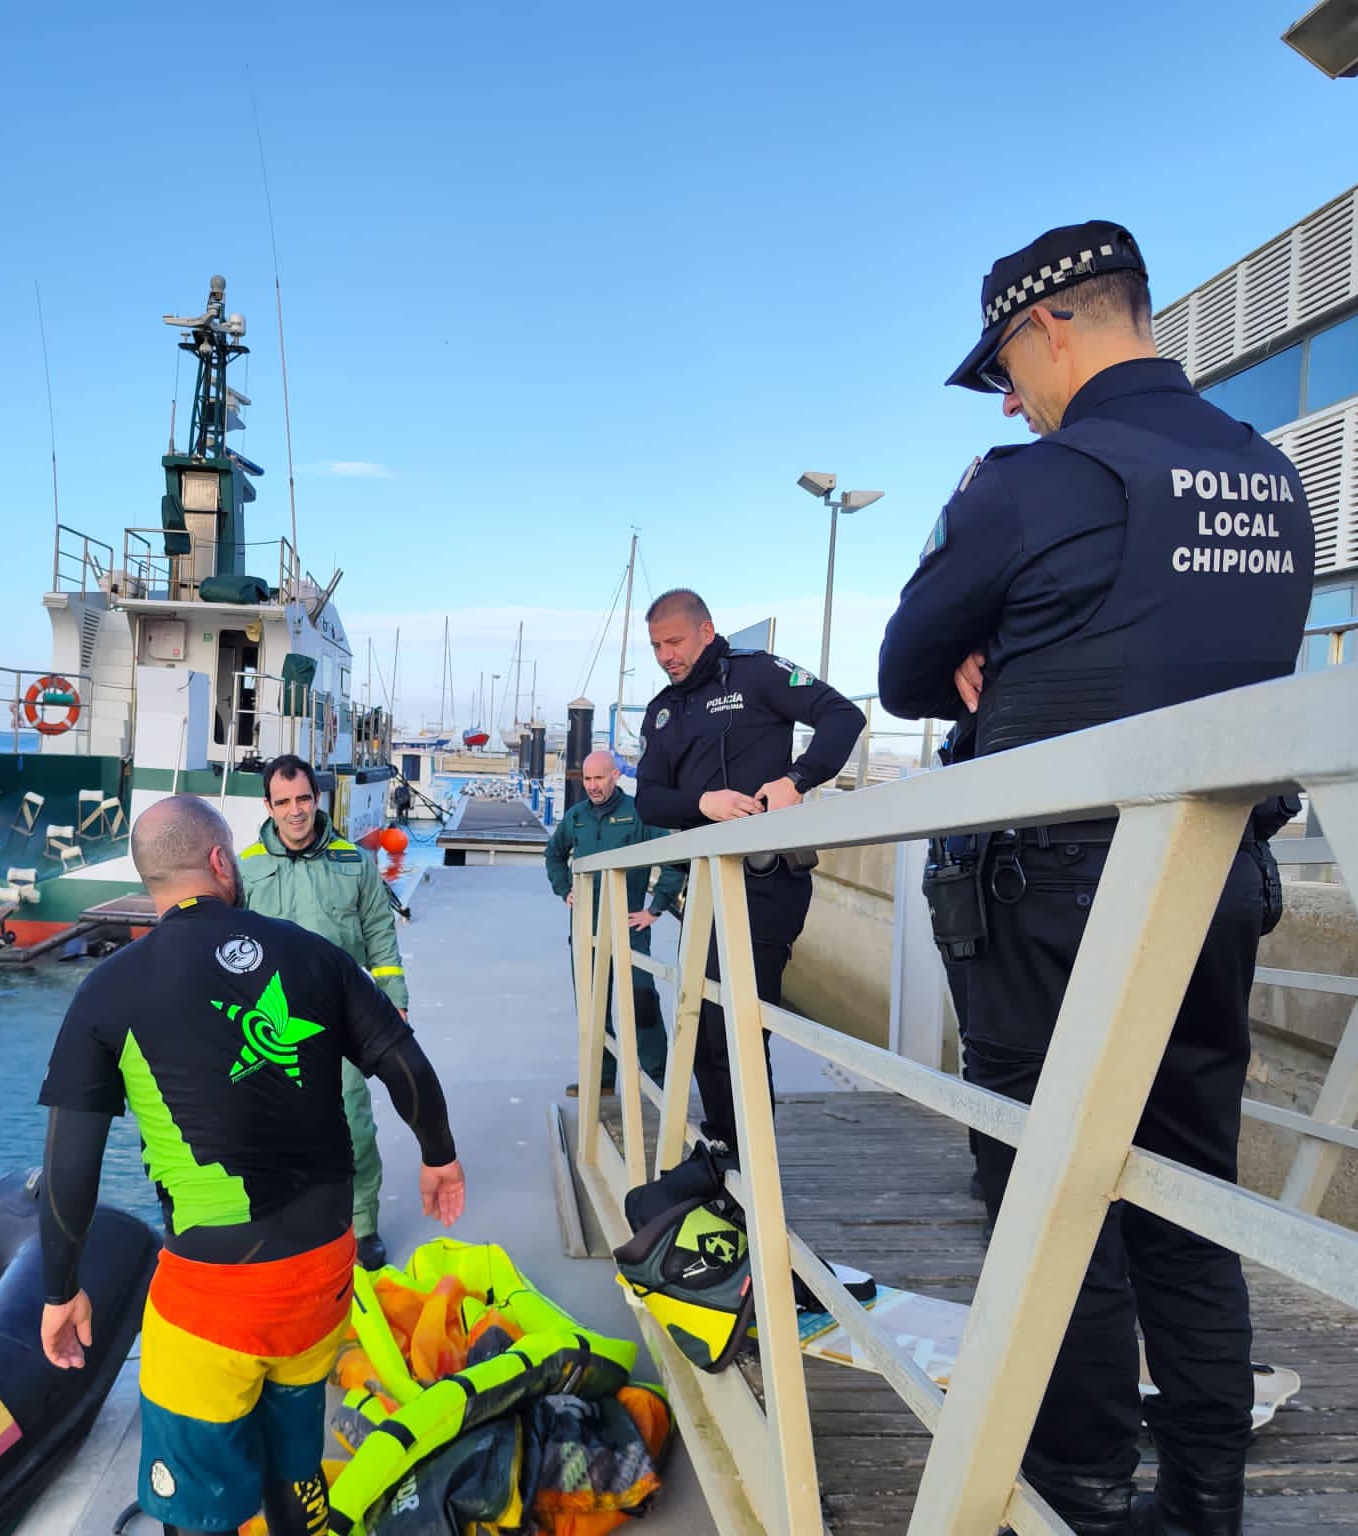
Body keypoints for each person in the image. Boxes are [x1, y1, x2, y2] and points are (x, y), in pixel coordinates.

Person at [877, 221, 1313, 1536]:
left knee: (1053, 1191)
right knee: (1187, 1193)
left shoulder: (1032, 480)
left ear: (1056, 322)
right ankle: (1200, 1502)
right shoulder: (1270, 479)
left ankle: (1076, 1485)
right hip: (1215, 882)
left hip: (1048, 896)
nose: (1009, 395)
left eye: (1006, 362)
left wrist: (995, 653)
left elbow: (905, 667)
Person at [38, 794, 466, 1536]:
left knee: (199, 1508)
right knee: (294, 1468)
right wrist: (440, 1159)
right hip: (325, 1275)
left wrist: (60, 1289)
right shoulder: (311, 952)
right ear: (219, 860)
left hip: (213, 1297)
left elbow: (69, 1165)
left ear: (150, 881)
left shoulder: (108, 989)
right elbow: (407, 1066)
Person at [633, 589, 865, 1154]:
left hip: (767, 881)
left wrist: (797, 779)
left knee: (738, 1026)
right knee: (706, 1022)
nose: (666, 654)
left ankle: (751, 1157)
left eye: (675, 641)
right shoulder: (663, 711)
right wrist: (703, 803)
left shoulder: (757, 675)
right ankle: (725, 1150)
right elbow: (648, 800)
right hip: (707, 884)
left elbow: (843, 716)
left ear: (707, 632)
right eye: (657, 645)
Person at [240, 753, 409, 1271]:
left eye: (304, 799)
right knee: (271, 1130)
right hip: (268, 1024)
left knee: (352, 1126)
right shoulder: (246, 866)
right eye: (284, 802)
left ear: (319, 799)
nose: (295, 812)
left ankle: (363, 1226)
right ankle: (286, 1224)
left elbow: (381, 938)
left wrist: (395, 1006)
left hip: (341, 1019)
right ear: (268, 805)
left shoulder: (353, 863)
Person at [544, 748, 685, 1097]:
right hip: (586, 931)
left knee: (642, 1006)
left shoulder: (639, 814)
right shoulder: (576, 818)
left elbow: (674, 858)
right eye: (587, 779)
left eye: (599, 779)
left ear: (615, 776)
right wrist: (565, 890)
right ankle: (601, 1083)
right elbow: (554, 855)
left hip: (628, 929)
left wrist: (655, 908)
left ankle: (660, 1083)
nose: (592, 786)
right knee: (593, 1010)